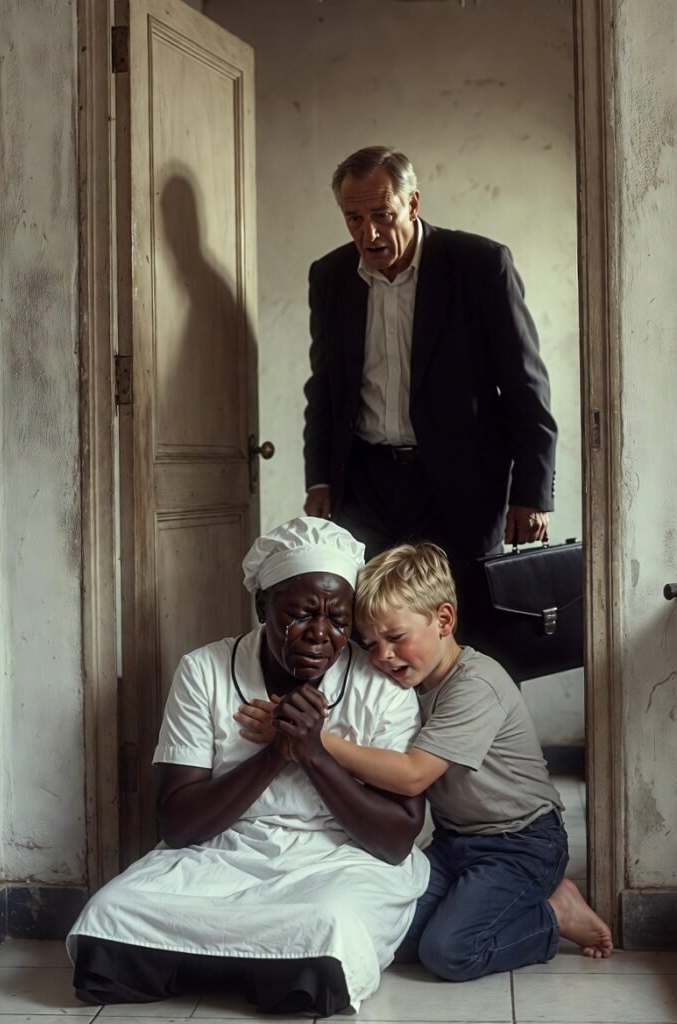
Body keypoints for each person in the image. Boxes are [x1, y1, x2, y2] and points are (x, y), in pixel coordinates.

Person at [66, 517, 429, 1015]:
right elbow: (178, 825)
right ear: (262, 605)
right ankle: (260, 968)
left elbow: (394, 841)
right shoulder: (205, 671)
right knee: (110, 916)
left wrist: (315, 754)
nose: (320, 635)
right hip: (222, 852)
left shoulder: (380, 684)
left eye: (339, 621)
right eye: (300, 615)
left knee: (328, 925)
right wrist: (276, 754)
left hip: (339, 858)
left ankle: (216, 964)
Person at [240, 542, 613, 980]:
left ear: (443, 620)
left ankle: (555, 913)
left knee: (449, 952)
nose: (382, 656)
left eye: (396, 638)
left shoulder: (476, 685)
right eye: (371, 643)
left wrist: (310, 741)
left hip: (521, 842)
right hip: (455, 842)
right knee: (393, 933)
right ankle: (489, 900)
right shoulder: (406, 685)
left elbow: (413, 776)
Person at [303, 145, 557, 636]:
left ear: (413, 204)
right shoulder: (330, 277)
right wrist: (320, 479)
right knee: (371, 630)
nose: (368, 233)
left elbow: (525, 386)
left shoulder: (480, 264)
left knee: (468, 631)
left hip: (464, 486)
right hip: (367, 484)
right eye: (353, 218)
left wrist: (532, 491)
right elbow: (325, 388)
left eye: (382, 214)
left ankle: (469, 717)